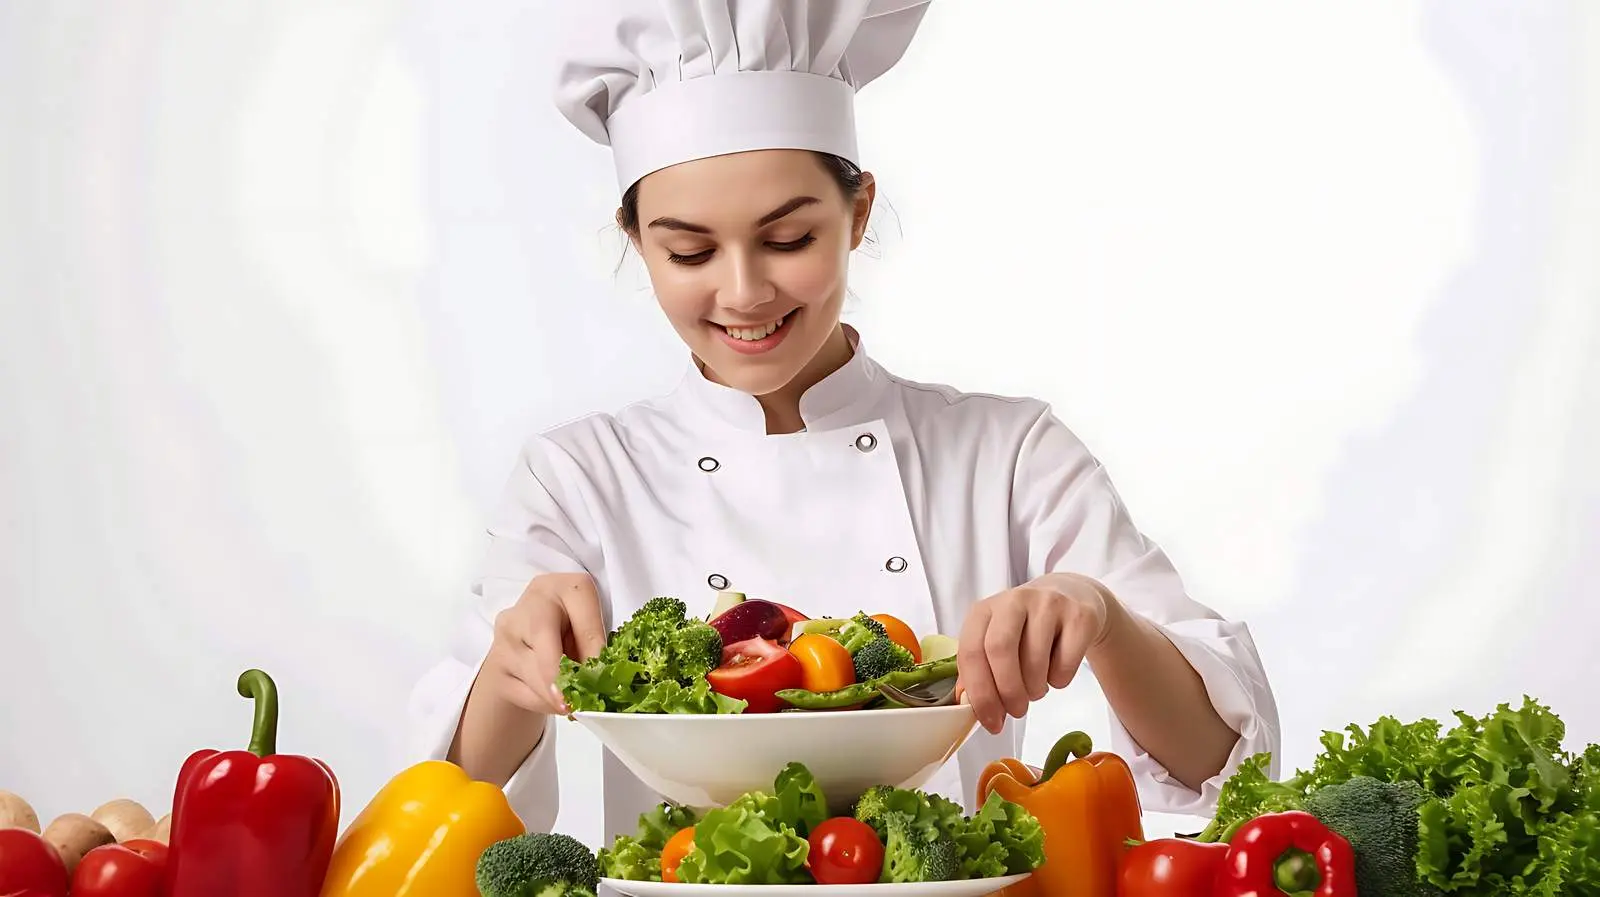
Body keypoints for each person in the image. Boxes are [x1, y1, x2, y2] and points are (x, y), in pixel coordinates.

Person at [409, 0, 1281, 841]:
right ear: (636, 240)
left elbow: (1223, 763)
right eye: (690, 251)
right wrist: (512, 671)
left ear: (858, 213)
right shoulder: (582, 475)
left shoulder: (1008, 454)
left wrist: (1103, 612)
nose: (745, 292)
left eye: (789, 240)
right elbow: (459, 797)